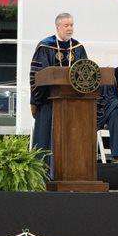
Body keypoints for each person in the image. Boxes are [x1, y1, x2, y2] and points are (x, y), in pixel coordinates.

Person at [28, 13, 87, 160]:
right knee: (46, 138)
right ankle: (44, 173)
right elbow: (39, 74)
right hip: (49, 100)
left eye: (71, 25)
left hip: (72, 102)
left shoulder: (78, 47)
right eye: (66, 25)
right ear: (58, 27)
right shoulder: (45, 46)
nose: (70, 28)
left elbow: (86, 72)